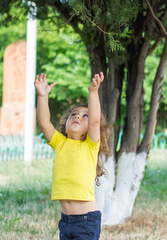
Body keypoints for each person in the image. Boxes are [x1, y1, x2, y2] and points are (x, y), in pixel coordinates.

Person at [34, 72, 109, 240]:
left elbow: (96, 121)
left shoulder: (90, 146)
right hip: (66, 221)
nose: (77, 117)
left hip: (86, 221)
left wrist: (93, 92)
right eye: (73, 114)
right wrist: (42, 96)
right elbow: (44, 122)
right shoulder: (59, 143)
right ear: (65, 124)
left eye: (85, 116)